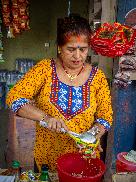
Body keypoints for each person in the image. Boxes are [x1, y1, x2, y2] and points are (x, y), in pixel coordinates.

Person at [6, 14, 113, 172]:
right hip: (47, 159)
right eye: (70, 49)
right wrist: (45, 117)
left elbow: (105, 117)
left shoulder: (98, 77)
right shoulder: (44, 69)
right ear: (60, 48)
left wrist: (91, 135)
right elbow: (14, 98)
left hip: (84, 159)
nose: (77, 56)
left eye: (83, 49)